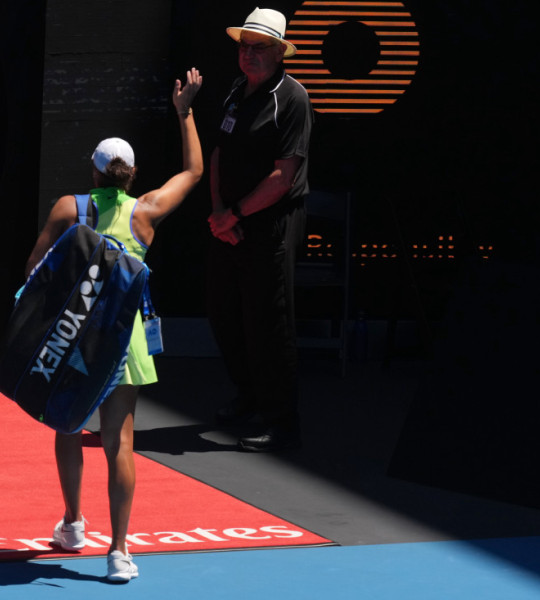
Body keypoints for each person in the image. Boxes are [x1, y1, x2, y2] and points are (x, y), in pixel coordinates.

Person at [23, 68, 203, 582]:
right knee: (119, 443)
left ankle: (73, 524)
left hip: (74, 338)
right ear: (132, 173)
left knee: (66, 425)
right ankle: (119, 552)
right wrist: (184, 111)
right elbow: (193, 171)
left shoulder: (70, 208)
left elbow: (34, 271)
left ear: (95, 171)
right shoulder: (146, 212)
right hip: (125, 342)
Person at [206, 7, 313, 452]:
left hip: (270, 225)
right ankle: (249, 396)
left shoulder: (293, 98)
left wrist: (234, 214)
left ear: (279, 52)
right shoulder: (236, 91)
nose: (248, 54)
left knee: (269, 323)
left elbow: (283, 177)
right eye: (244, 46)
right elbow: (219, 153)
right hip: (229, 222)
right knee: (226, 313)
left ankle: (282, 423)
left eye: (260, 47)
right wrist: (219, 212)